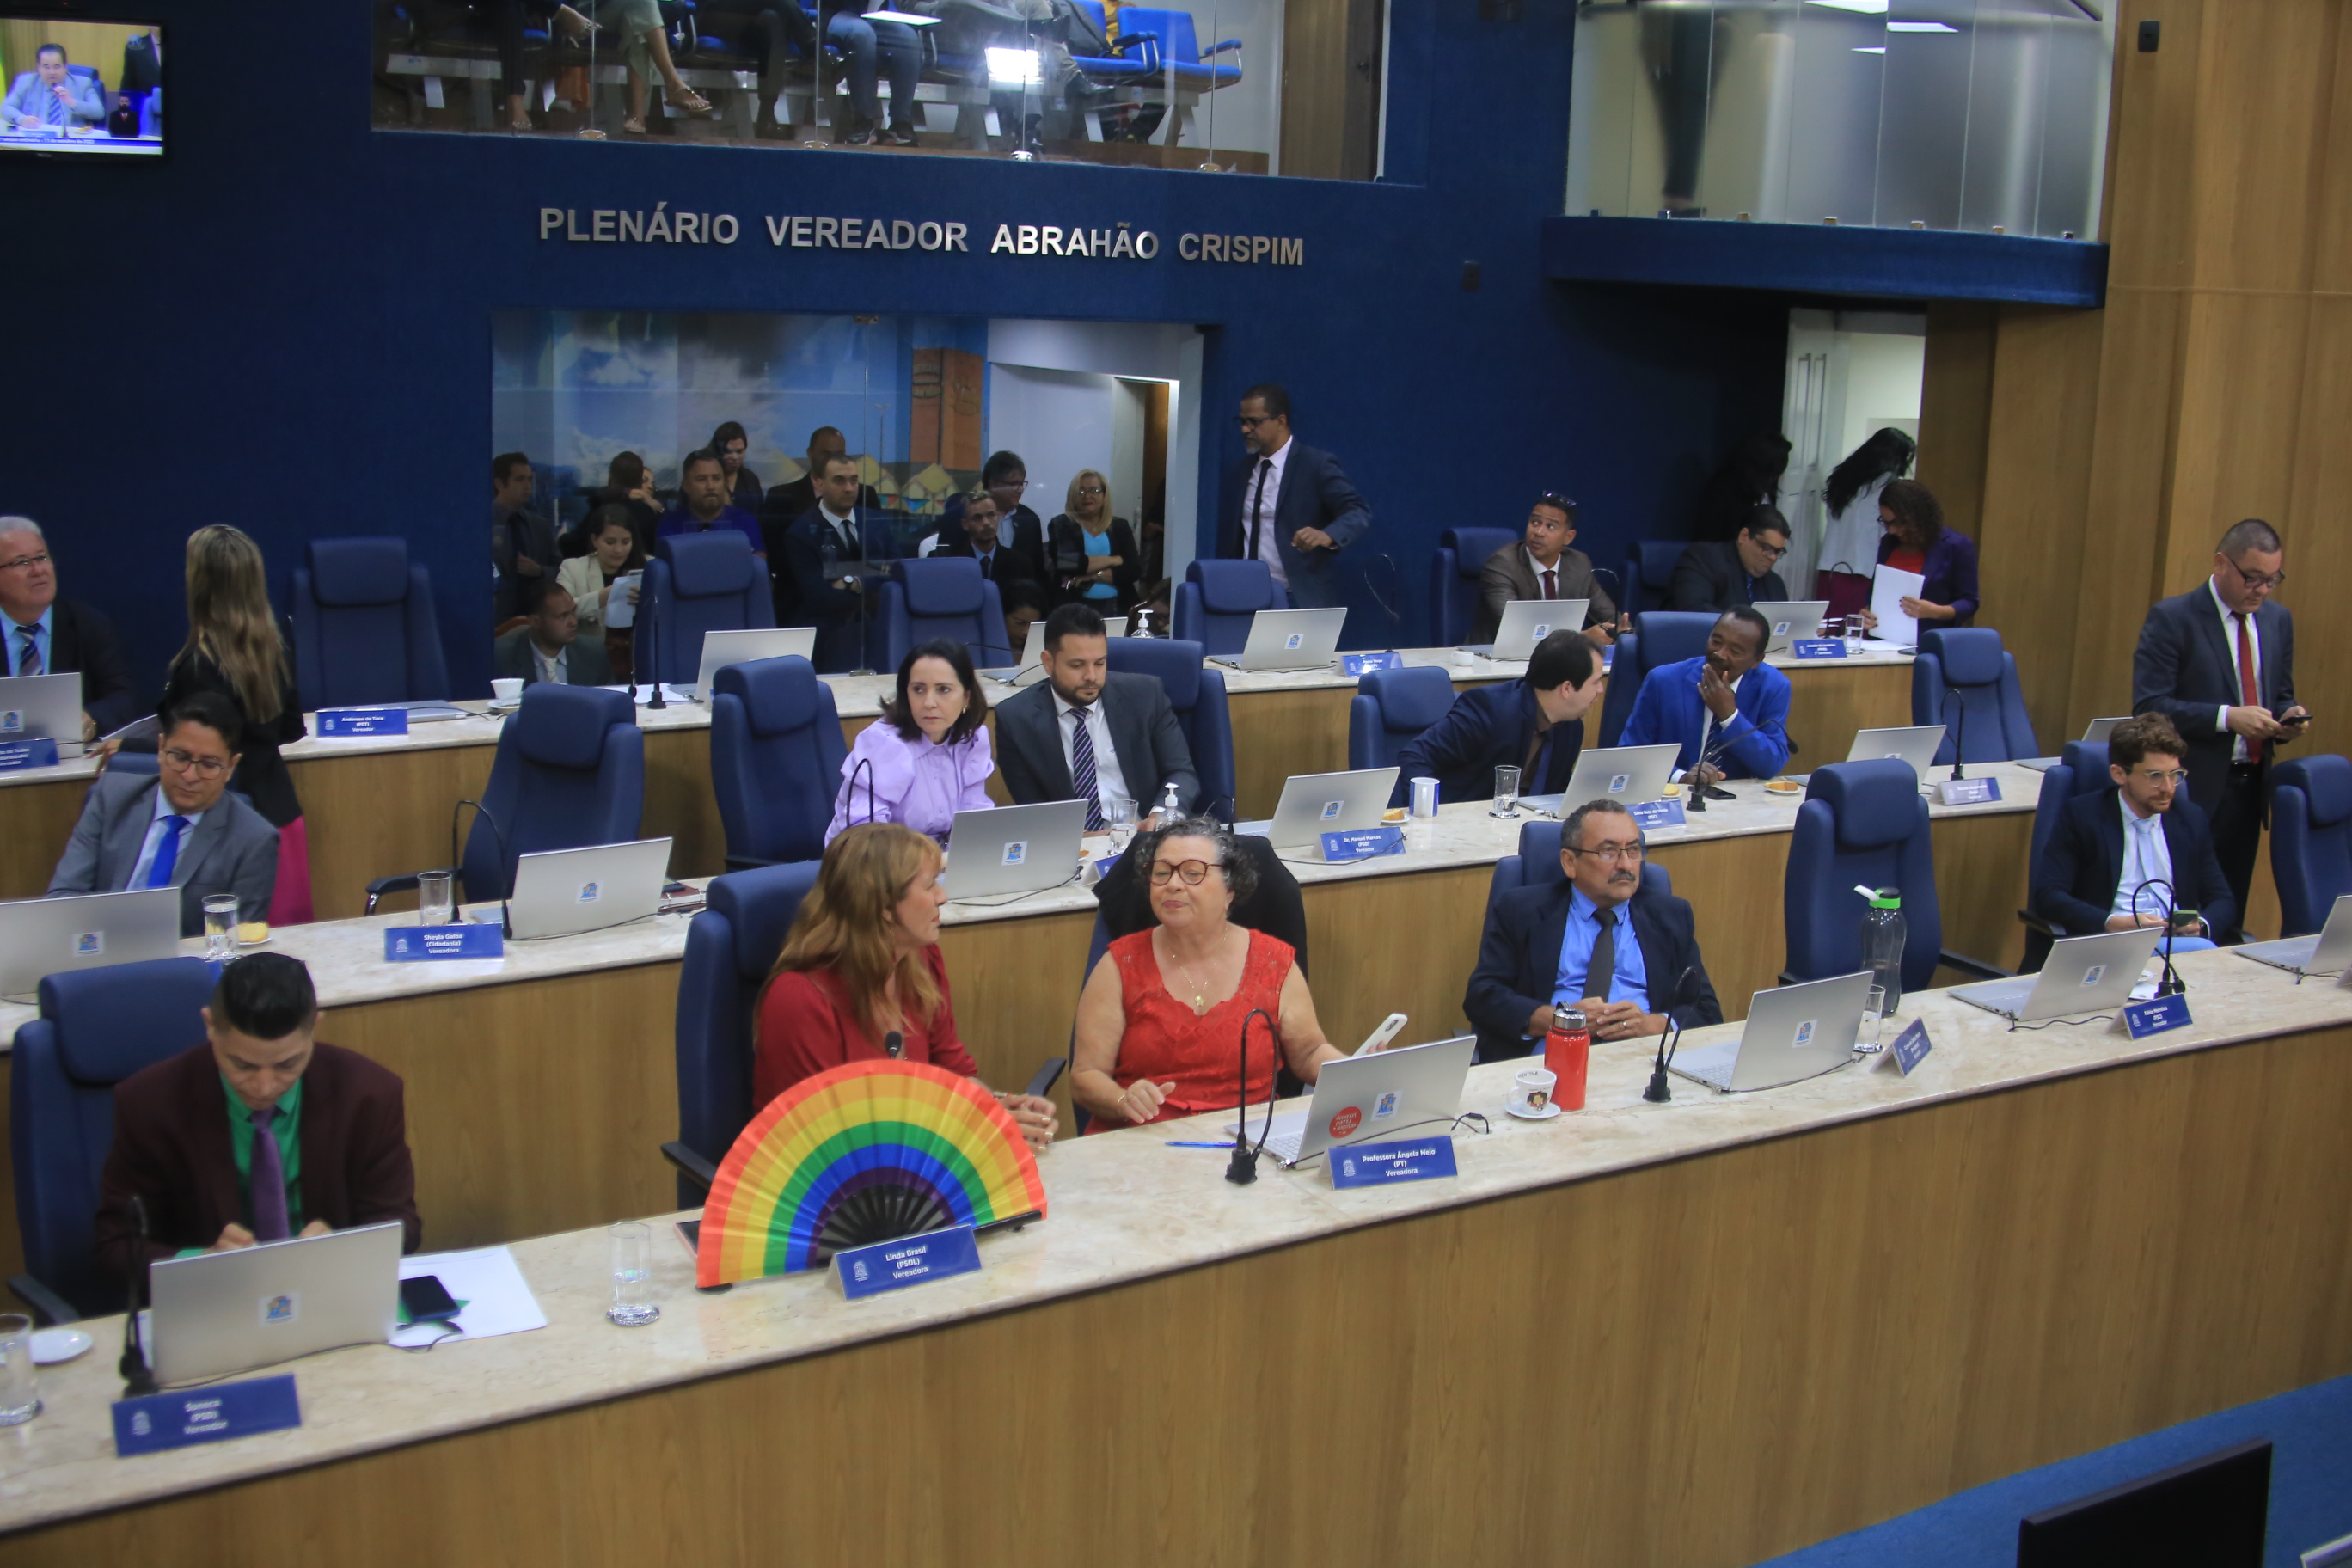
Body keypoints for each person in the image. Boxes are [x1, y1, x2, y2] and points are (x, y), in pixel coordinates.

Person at [95, 952, 421, 1278]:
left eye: (287, 1064)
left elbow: (402, 1226)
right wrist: (201, 1262)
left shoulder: (369, 1095)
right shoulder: (149, 1104)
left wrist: (343, 1247)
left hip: (327, 1283)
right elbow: (116, 1246)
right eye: (243, 1065)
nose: (264, 1088)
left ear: (314, 1028)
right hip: (214, 1293)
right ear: (210, 1026)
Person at [753, 824, 1057, 1147]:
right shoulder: (799, 1000)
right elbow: (822, 1142)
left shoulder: (921, 962)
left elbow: (955, 1075)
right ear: (885, 906)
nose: (942, 897)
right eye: (929, 886)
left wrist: (995, 1108)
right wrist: (971, 1130)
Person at [1069, 817, 1347, 1130]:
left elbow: (1309, 1053)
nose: (1173, 884)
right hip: (1144, 1137)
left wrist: (1356, 1072)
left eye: (1193, 873)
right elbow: (1086, 1076)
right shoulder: (1120, 964)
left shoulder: (1273, 961)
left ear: (1230, 890)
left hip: (1245, 1138)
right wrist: (1122, 1100)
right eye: (1161, 873)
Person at [2130, 518, 2306, 941]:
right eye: (2253, 578)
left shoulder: (2277, 620)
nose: (2262, 591)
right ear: (2221, 563)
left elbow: (2280, 693)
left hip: (2250, 789)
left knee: (2228, 910)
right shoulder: (2174, 618)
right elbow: (2149, 707)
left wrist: (2289, 716)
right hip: (2189, 789)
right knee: (2185, 913)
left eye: (2272, 580)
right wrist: (2228, 717)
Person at [1463, 799, 1722, 1061]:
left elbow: (1706, 1010)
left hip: (1644, 1060)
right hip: (1551, 1057)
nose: (1626, 865)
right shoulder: (1521, 911)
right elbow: (1483, 997)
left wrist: (1652, 1024)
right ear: (1569, 862)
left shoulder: (1671, 915)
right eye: (1609, 852)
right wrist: (1561, 1020)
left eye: (1634, 850)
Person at [157, 525, 314, 926]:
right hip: (280, 817)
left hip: (230, 829)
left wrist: (127, 748)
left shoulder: (197, 665)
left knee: (229, 949)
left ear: (201, 584)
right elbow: (291, 729)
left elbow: (192, 750)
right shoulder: (274, 649)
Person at [48, 689, 279, 936]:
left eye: (209, 764)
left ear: (230, 767)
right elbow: (63, 898)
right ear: (160, 749)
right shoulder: (111, 798)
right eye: (180, 757)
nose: (190, 776)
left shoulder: (254, 839)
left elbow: (237, 941)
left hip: (189, 959)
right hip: (103, 948)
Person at [2030, 714, 2233, 951]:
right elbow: (2049, 895)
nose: (2168, 788)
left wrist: (2201, 925)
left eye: (2175, 775)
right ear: (2119, 774)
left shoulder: (2190, 819)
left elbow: (2222, 899)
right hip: (2112, 945)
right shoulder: (2082, 816)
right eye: (2155, 776)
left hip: (2178, 944)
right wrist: (2110, 922)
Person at [995, 603, 1199, 826]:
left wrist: (1159, 817)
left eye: (1100, 663)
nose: (1091, 676)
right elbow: (1034, 809)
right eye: (1077, 665)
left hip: (1145, 833)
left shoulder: (1146, 696)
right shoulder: (1016, 719)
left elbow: (1181, 773)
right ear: (1048, 662)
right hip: (1073, 840)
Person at [1393, 630, 1608, 806]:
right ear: (1567, 688)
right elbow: (1416, 756)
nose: (1601, 689)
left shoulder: (1571, 728)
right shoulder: (1490, 710)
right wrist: (1430, 813)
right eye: (1596, 682)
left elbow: (1557, 792)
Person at [1217, 383, 1374, 610]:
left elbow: (1357, 511)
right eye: (1242, 421)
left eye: (1253, 421)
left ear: (1280, 421)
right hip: (1246, 594)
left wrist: (1327, 535)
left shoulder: (1315, 465)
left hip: (1296, 596)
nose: (1245, 429)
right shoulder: (1242, 471)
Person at [828, 639, 995, 844]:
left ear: (966, 697)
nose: (929, 703)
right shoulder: (884, 744)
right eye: (918, 690)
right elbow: (866, 838)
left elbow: (974, 817)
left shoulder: (971, 739)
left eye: (943, 689)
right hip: (881, 858)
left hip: (942, 858)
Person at [0, 516, 141, 738]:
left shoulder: (87, 625)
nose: (38, 570)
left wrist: (92, 718)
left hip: (71, 753)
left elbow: (122, 698)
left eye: (42, 557)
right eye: (21, 562)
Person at [1619, 606, 1792, 784]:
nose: (1720, 654)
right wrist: (1680, 777)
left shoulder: (1773, 687)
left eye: (1735, 651)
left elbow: (1772, 765)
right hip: (1673, 793)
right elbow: (1631, 752)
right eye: (1716, 642)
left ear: (1756, 660)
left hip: (1738, 796)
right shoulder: (1663, 681)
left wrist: (1730, 716)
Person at [786, 451, 886, 672]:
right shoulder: (801, 532)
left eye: (854, 481)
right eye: (839, 481)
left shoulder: (876, 522)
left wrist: (851, 582)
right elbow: (819, 597)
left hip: (876, 628)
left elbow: (895, 572)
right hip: (827, 635)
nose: (849, 488)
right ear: (819, 484)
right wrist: (871, 586)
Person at [1474, 493, 1620, 645]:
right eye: (1535, 522)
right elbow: (1517, 629)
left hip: (1558, 655)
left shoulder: (1578, 564)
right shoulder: (1503, 564)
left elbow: (1610, 617)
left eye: (1550, 526)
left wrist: (1620, 630)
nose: (1538, 532)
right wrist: (1583, 637)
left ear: (1568, 537)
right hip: (1497, 655)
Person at [1817, 427, 1916, 616]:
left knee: (1828, 627)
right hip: (1865, 572)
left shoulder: (1841, 479)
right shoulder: (1889, 487)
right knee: (1859, 629)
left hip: (1830, 569)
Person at [936, 485, 1046, 653]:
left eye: (991, 515)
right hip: (961, 639)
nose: (986, 523)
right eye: (978, 518)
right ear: (965, 524)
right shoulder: (950, 563)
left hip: (1007, 643)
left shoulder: (1020, 563)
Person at [1860, 478, 1979, 629]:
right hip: (1883, 637)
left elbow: (1969, 602)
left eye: (1897, 522)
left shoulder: (1957, 546)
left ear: (1918, 516)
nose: (1891, 530)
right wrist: (1867, 613)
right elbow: (1875, 592)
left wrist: (1935, 612)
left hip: (1930, 637)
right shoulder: (1888, 543)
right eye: (1886, 522)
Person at [557, 505, 645, 682]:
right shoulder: (573, 568)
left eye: (625, 542)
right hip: (589, 661)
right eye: (610, 542)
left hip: (638, 658)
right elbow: (559, 612)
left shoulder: (649, 567)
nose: (618, 550)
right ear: (595, 540)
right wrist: (603, 596)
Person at [599, 0, 714, 135]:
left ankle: (637, 117)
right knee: (642, 11)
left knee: (639, 24)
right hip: (592, 11)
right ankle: (673, 84)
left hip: (632, 9)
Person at [1047, 469, 1142, 613]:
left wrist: (1094, 576)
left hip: (1118, 604)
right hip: (1073, 605)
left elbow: (1134, 569)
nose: (1087, 496)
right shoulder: (1061, 524)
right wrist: (1114, 560)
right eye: (1081, 492)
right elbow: (1068, 564)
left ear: (1104, 495)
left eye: (1094, 491)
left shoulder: (1119, 526)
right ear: (1072, 496)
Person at [1669, 506, 1791, 614]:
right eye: (1767, 548)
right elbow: (1694, 610)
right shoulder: (1704, 559)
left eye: (1778, 552)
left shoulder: (1775, 585)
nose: (1773, 557)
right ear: (1744, 536)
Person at [494, 585, 614, 689]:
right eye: (563, 616)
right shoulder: (500, 657)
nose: (573, 622)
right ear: (535, 621)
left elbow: (608, 702)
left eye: (573, 612)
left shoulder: (595, 653)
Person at [657, 449, 765, 556]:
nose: (710, 486)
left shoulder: (745, 522)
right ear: (686, 485)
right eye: (702, 479)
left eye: (716, 478)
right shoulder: (670, 525)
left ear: (724, 482)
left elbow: (758, 563)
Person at [1689, 432, 1792, 543]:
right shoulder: (1723, 492)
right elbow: (1708, 540)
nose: (1775, 479)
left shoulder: (1765, 492)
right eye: (1773, 474)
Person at [492, 451, 558, 620]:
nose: (527, 486)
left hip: (535, 620)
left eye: (529, 479)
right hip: (494, 620)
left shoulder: (539, 526)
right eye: (520, 479)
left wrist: (540, 571)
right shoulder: (480, 525)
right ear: (499, 484)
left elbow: (561, 569)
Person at [582, 450, 665, 554]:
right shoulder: (652, 513)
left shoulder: (599, 509)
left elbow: (575, 546)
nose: (651, 487)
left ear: (611, 478)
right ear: (640, 482)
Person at [5, 44, 102, 130]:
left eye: (57, 66)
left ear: (65, 66)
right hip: (37, 137)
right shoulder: (26, 82)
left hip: (70, 140)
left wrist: (72, 103)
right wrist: (22, 119)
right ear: (39, 67)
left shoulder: (83, 84)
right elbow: (6, 107)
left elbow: (99, 112)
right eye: (46, 67)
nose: (52, 72)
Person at [709, 420, 764, 512]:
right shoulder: (706, 481)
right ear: (718, 451)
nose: (735, 457)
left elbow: (760, 516)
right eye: (728, 452)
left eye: (739, 452)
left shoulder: (751, 480)